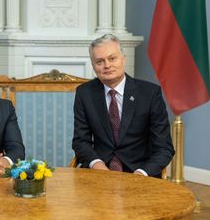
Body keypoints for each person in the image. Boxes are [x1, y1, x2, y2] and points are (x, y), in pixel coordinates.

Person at [72, 34, 174, 177]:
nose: (107, 65)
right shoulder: (84, 93)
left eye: (112, 58)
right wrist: (96, 164)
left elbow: (164, 148)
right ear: (93, 65)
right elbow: (81, 141)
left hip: (139, 172)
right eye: (99, 61)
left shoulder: (150, 94)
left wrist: (141, 173)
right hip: (99, 172)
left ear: (123, 58)